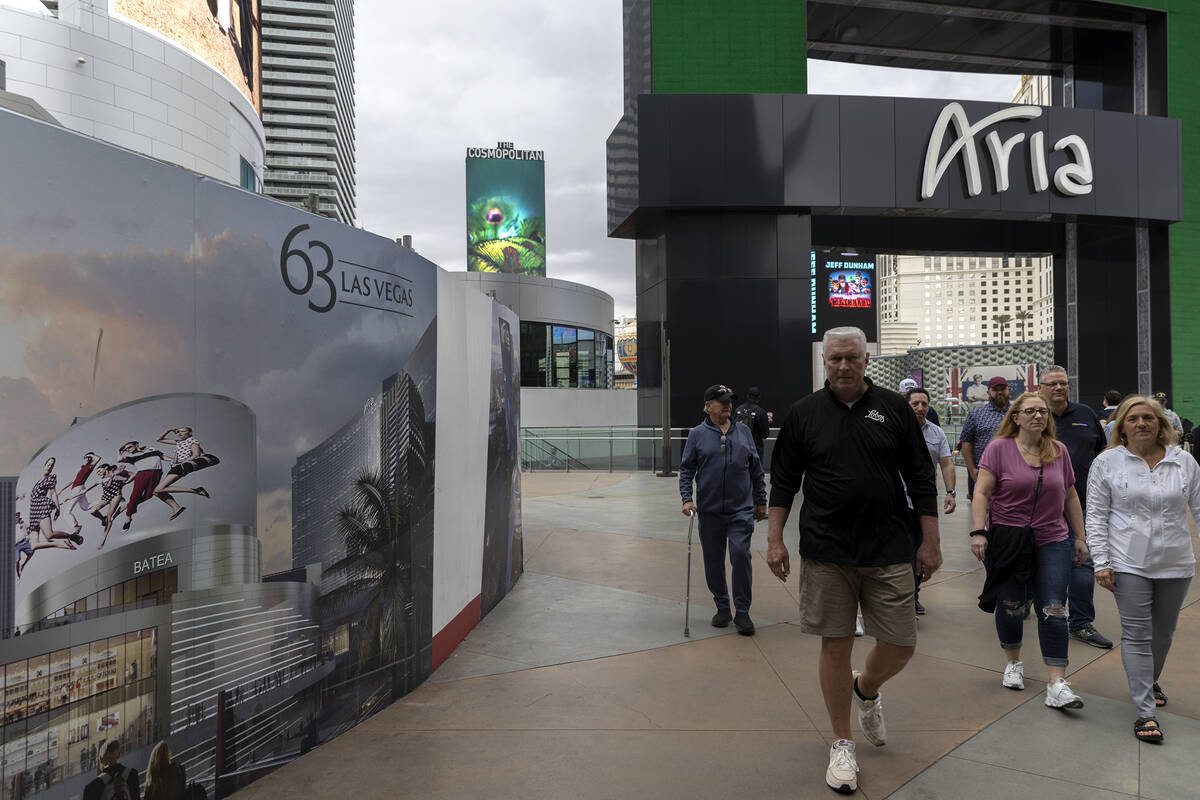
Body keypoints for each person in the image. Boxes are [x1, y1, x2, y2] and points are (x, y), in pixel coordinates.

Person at [766, 327, 941, 795]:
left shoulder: (895, 409)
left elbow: (921, 478)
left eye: (851, 358)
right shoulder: (804, 414)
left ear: (867, 360)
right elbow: (783, 482)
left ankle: (866, 688)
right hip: (826, 550)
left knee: (902, 643)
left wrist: (930, 541)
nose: (843, 366)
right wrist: (775, 540)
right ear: (825, 361)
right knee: (835, 644)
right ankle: (841, 742)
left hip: (889, 547)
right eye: (834, 359)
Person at [1086, 395, 1200, 743]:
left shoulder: (1184, 462)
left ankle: (1148, 679)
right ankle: (1145, 711)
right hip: (1127, 562)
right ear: (1121, 426)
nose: (1141, 424)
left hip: (1176, 563)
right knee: (1137, 634)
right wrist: (1101, 561)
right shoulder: (1107, 463)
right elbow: (1096, 515)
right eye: (1133, 418)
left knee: (1163, 634)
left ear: (1161, 423)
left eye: (1149, 418)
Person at [970, 391, 1089, 710]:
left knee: (1053, 607)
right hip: (1008, 540)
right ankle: (1013, 662)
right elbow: (981, 492)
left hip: (1052, 539)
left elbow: (1070, 496)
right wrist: (979, 532)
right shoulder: (998, 449)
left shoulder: (1058, 451)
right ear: (1016, 417)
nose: (1038, 416)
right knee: (1010, 604)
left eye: (1043, 412)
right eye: (1031, 411)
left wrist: (1080, 536)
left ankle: (1056, 683)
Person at [680, 383, 768, 635]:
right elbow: (686, 470)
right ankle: (722, 606)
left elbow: (755, 468)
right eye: (722, 401)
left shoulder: (743, 432)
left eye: (730, 401)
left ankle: (742, 611)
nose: (728, 405)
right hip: (709, 511)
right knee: (713, 561)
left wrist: (761, 500)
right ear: (708, 406)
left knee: (740, 554)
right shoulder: (697, 434)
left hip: (740, 508)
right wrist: (687, 499)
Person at [1039, 366, 1113, 649]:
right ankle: (1030, 606)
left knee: (1082, 565)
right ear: (1041, 388)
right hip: (1036, 510)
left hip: (1080, 506)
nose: (1059, 388)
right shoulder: (1033, 416)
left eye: (1063, 384)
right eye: (1053, 384)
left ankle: (1080, 623)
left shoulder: (1086, 415)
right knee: (1032, 563)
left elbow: (1102, 455)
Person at [906, 387, 957, 615]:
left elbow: (946, 464)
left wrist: (950, 491)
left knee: (920, 552)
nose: (920, 408)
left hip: (922, 505)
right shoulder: (896, 430)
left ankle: (912, 598)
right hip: (894, 503)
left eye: (924, 404)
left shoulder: (936, 433)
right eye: (915, 403)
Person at [959, 377, 1011, 500]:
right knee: (982, 510)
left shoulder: (1018, 412)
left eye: (1002, 389)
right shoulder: (977, 414)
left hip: (1012, 471)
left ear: (1008, 390)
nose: (999, 392)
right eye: (995, 389)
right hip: (983, 471)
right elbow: (966, 442)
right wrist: (972, 470)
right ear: (988, 392)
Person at [118, 442, 183, 531]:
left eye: (129, 447)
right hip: (142, 474)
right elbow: (119, 460)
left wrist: (175, 461)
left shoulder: (152, 450)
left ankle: (128, 506)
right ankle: (128, 517)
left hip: (157, 473)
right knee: (135, 495)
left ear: (136, 445)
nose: (128, 450)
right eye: (126, 449)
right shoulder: (131, 457)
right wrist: (119, 451)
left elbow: (163, 457)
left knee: (149, 495)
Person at [734, 387, 771, 464]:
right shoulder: (760, 412)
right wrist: (766, 422)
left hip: (740, 448)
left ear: (747, 396)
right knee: (757, 474)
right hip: (755, 448)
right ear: (759, 397)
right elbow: (765, 434)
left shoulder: (738, 410)